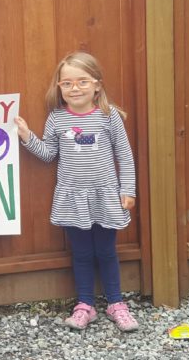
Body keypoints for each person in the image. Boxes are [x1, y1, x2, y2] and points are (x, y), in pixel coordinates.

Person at [15, 51, 139, 332]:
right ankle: (85, 305)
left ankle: (116, 304)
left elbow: (124, 154)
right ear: (59, 87)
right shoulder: (57, 119)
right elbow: (48, 154)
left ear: (97, 85)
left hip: (105, 196)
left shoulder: (109, 116)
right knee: (81, 253)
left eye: (82, 81)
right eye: (67, 83)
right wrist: (27, 137)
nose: (75, 88)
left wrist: (127, 189)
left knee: (106, 251)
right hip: (72, 198)